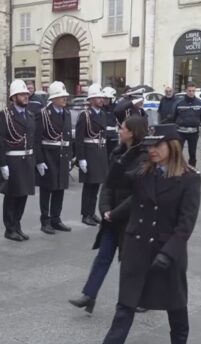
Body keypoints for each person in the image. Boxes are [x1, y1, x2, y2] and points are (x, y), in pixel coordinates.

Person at [81, 123, 201, 344]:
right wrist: (126, 152)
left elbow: (186, 223)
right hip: (137, 244)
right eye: (149, 146)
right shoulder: (145, 172)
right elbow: (115, 181)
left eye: (157, 145)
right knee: (126, 301)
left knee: (174, 299)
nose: (152, 151)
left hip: (167, 248)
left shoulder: (189, 179)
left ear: (172, 146)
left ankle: (179, 342)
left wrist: (169, 253)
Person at [69, 116, 148, 313]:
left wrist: (115, 213)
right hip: (111, 217)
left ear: (133, 132)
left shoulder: (144, 157)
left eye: (123, 128)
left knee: (130, 263)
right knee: (103, 256)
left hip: (130, 218)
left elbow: (138, 194)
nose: (119, 131)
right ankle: (89, 295)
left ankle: (137, 299)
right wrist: (104, 210)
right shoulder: (118, 152)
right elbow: (108, 185)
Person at [0, 79, 36, 241]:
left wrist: (35, 160)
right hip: (12, 161)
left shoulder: (30, 114)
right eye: (21, 94)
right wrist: (2, 164)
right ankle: (9, 228)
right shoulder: (4, 115)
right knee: (12, 196)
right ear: (13, 97)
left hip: (26, 160)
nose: (25, 96)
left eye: (26, 94)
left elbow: (33, 140)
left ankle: (17, 225)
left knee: (23, 195)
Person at [34, 81, 73, 235]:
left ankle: (56, 218)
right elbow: (36, 140)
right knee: (47, 190)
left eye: (65, 96)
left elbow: (68, 137)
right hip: (48, 155)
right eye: (61, 96)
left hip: (62, 155)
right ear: (53, 98)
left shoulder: (67, 113)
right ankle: (45, 220)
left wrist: (70, 157)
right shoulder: (43, 113)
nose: (64, 99)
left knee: (60, 188)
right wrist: (39, 161)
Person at [75, 84, 110, 226]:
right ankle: (85, 214)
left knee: (96, 185)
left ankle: (91, 212)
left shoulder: (102, 114)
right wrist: (81, 158)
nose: (101, 100)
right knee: (89, 186)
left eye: (102, 97)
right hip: (89, 152)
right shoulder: (85, 115)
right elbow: (79, 138)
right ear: (91, 99)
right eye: (98, 97)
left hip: (100, 151)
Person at [172, 83, 201, 167]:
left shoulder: (200, 103)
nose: (191, 93)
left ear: (195, 91)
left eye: (193, 91)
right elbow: (174, 117)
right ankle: (177, 170)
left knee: (192, 153)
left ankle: (192, 170)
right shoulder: (179, 103)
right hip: (181, 132)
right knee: (178, 152)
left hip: (194, 132)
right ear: (186, 91)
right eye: (189, 91)